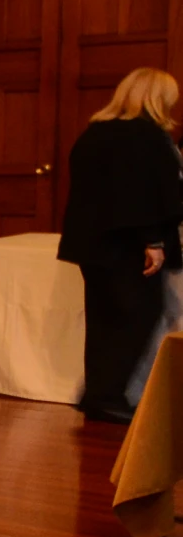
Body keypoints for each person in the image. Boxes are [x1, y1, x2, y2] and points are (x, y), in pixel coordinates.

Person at [59, 67, 183, 424]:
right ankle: (106, 396)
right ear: (158, 98)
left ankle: (96, 393)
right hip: (129, 244)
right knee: (137, 317)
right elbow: (144, 195)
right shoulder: (146, 137)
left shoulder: (95, 133)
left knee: (102, 320)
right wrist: (154, 240)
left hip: (93, 244)